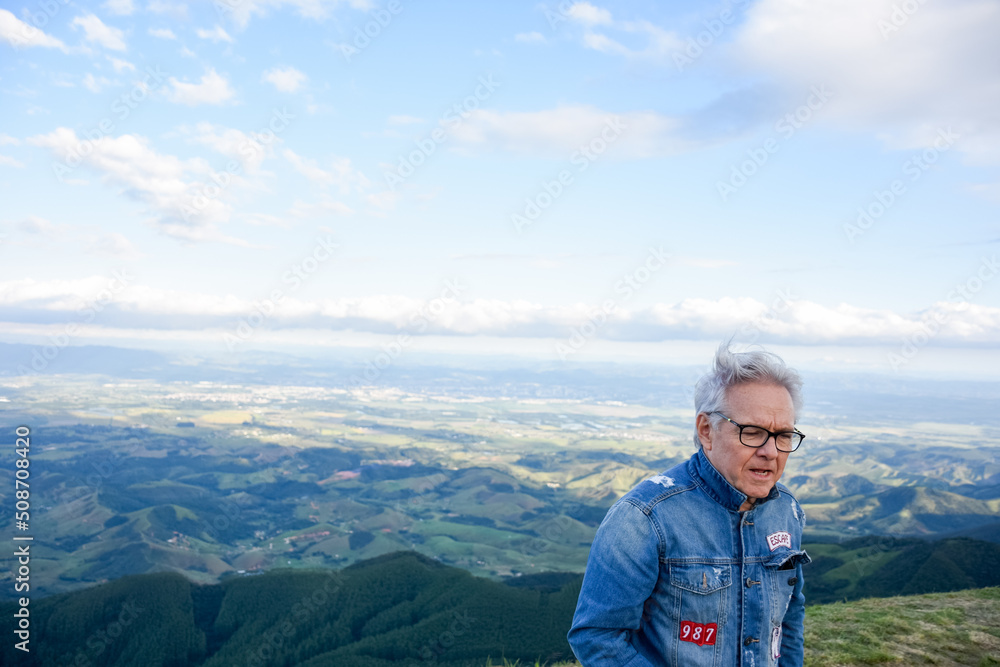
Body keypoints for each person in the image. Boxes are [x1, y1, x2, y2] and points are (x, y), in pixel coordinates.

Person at [567, 342, 811, 666]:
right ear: (706, 430)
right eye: (752, 432)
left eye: (782, 435)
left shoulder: (786, 510)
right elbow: (597, 637)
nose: (771, 451)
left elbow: (788, 619)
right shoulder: (643, 519)